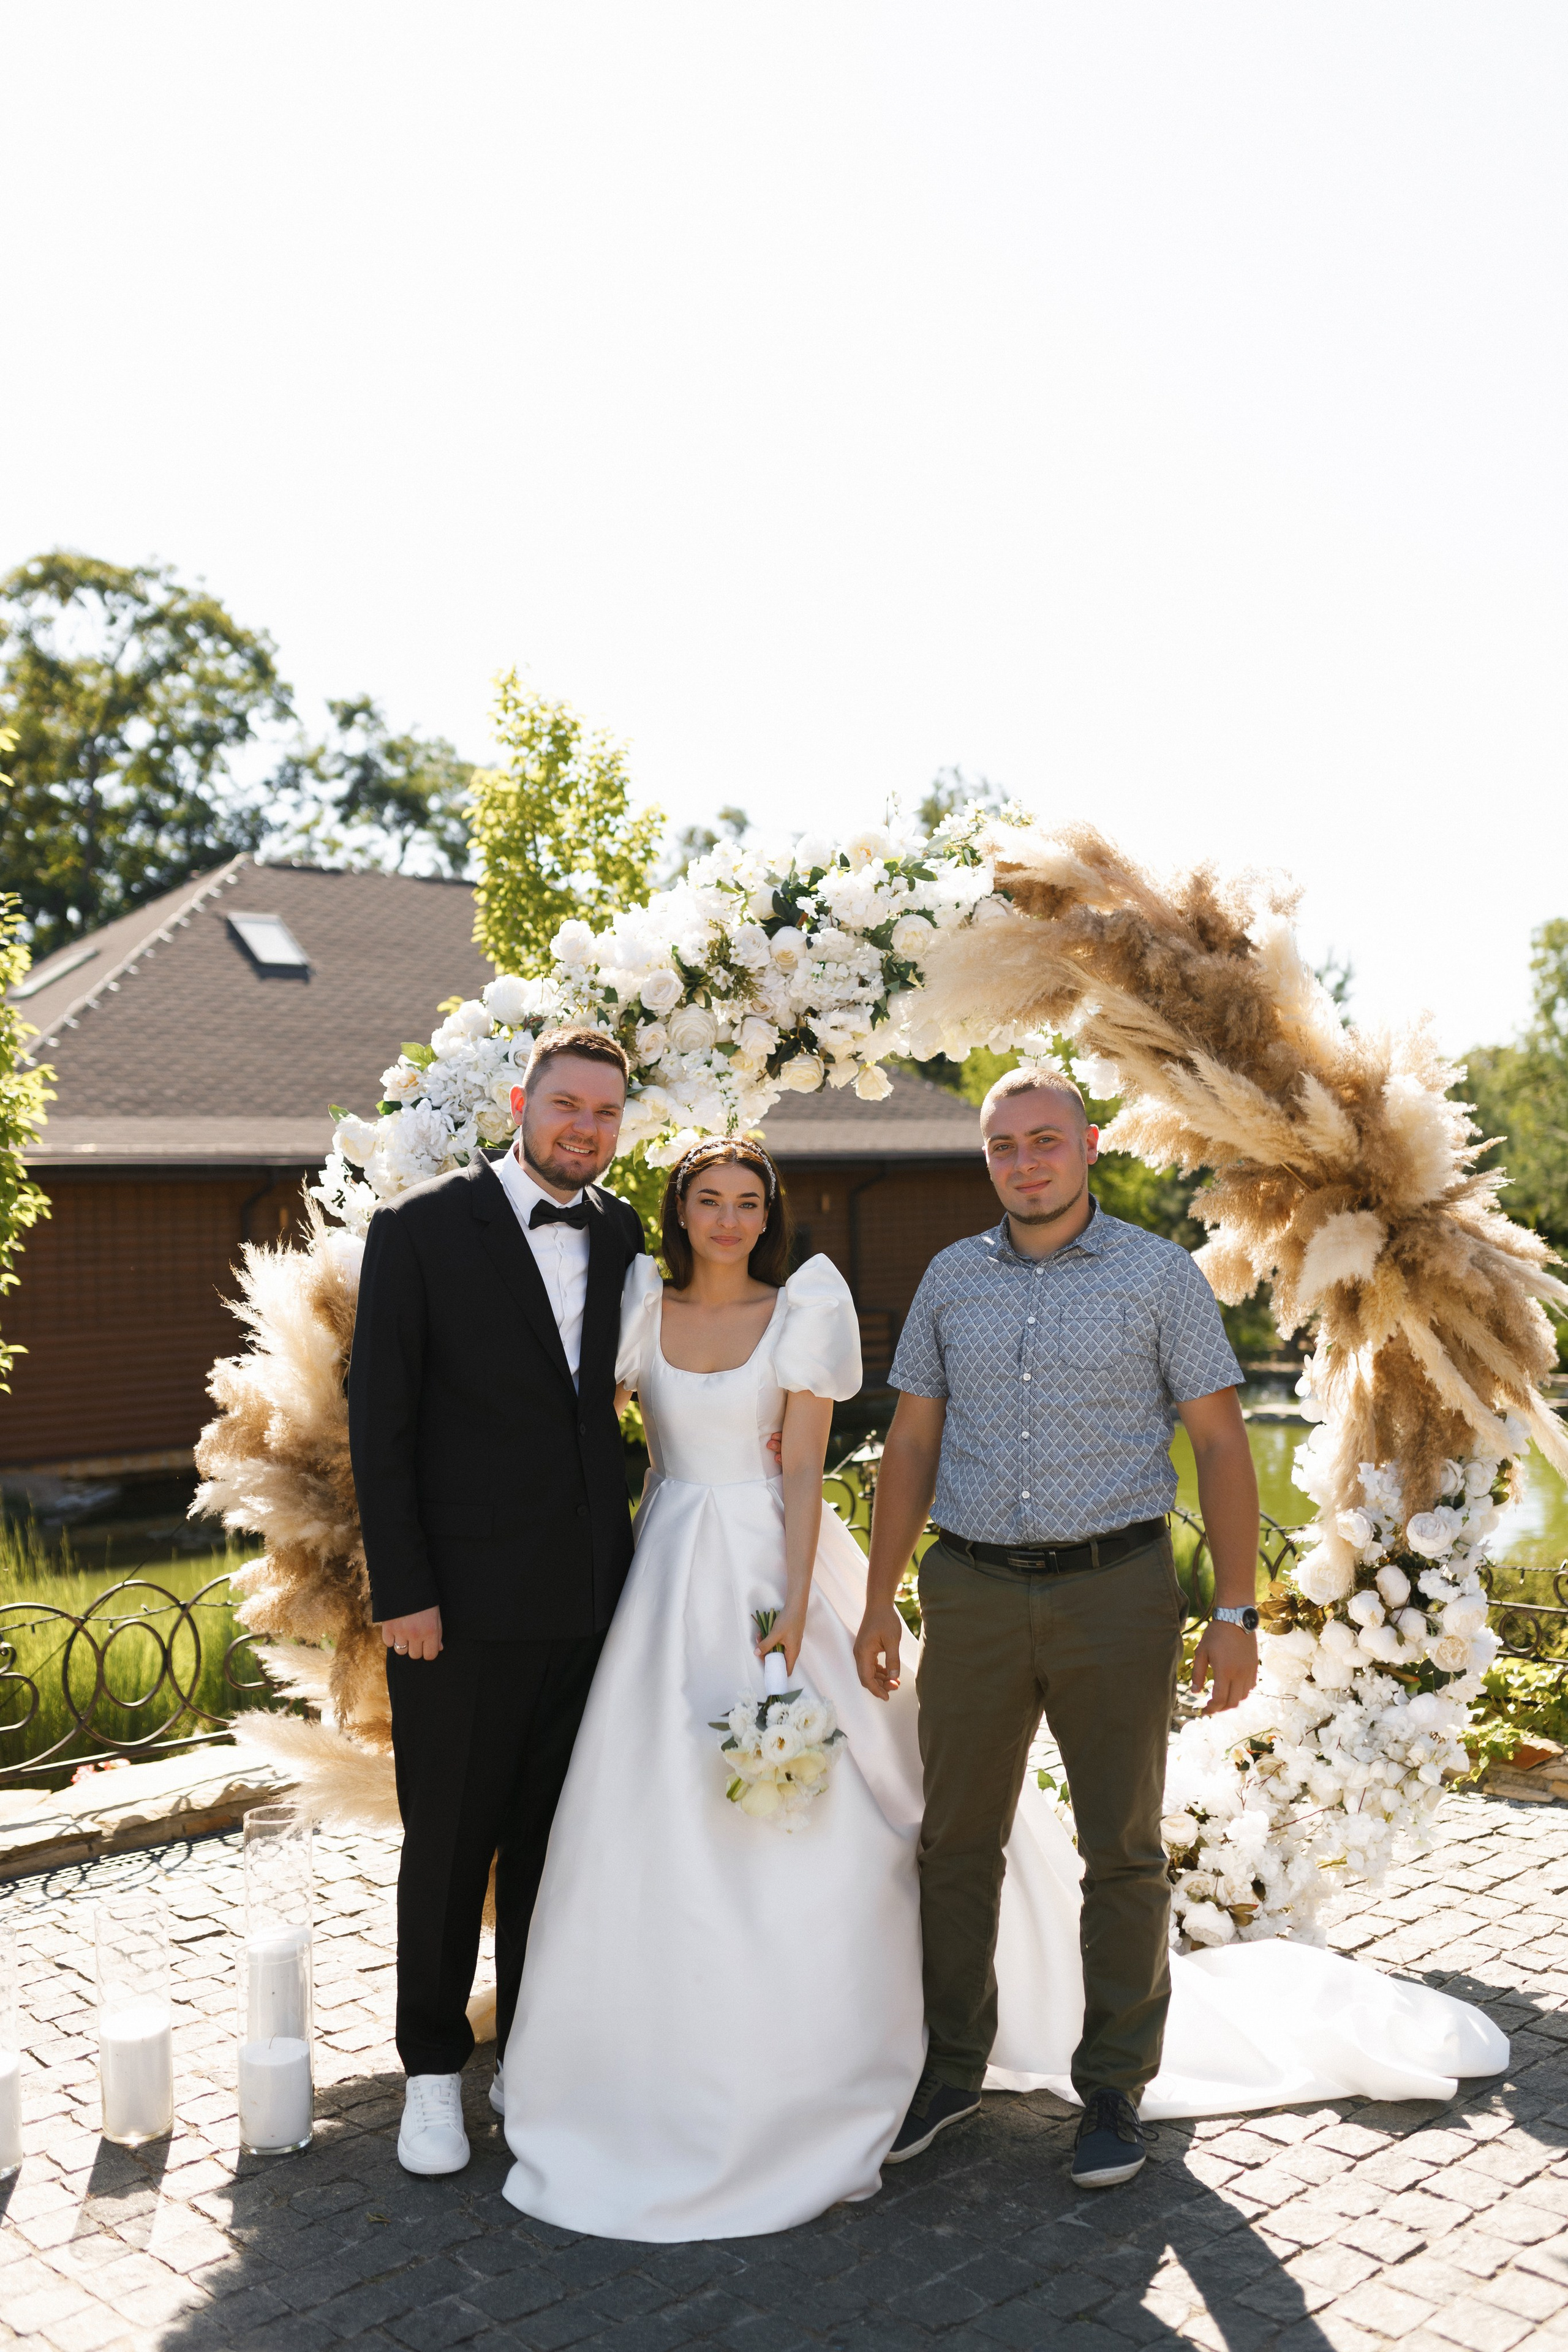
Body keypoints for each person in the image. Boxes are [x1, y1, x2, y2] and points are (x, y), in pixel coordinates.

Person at [498, 1139, 927, 2239]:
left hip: (768, 1556)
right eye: (707, 1200)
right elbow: (622, 1444)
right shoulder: (642, 1300)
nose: (727, 1220)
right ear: (678, 1211)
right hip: (668, 1555)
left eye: (746, 1203)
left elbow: (801, 1468)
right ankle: (630, 2045)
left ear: (766, 1215)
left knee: (817, 1790)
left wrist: (791, 1603)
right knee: (642, 1792)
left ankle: (811, 2048)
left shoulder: (804, 1308)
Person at [854, 1064, 1272, 2187]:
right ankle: (950, 2070)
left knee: (1122, 1851)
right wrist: (881, 1594)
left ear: (1088, 1145)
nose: (1025, 1163)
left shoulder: (1158, 1274)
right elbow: (910, 1449)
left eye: (1045, 1141)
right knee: (954, 1844)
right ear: (987, 1159)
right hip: (974, 1592)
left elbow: (1224, 1447)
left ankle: (1114, 2089)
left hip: (1117, 1590)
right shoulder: (950, 1278)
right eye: (1004, 1148)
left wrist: (1234, 1610)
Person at [348, 1026, 646, 2177]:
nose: (587, 1129)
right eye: (569, 1106)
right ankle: (432, 2070)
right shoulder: (420, 1232)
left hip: (588, 1605)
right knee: (449, 1843)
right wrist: (406, 1592)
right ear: (521, 1103)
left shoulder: (622, 1232)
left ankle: (527, 2051)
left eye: (608, 1115)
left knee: (547, 1845)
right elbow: (384, 1428)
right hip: (456, 1614)